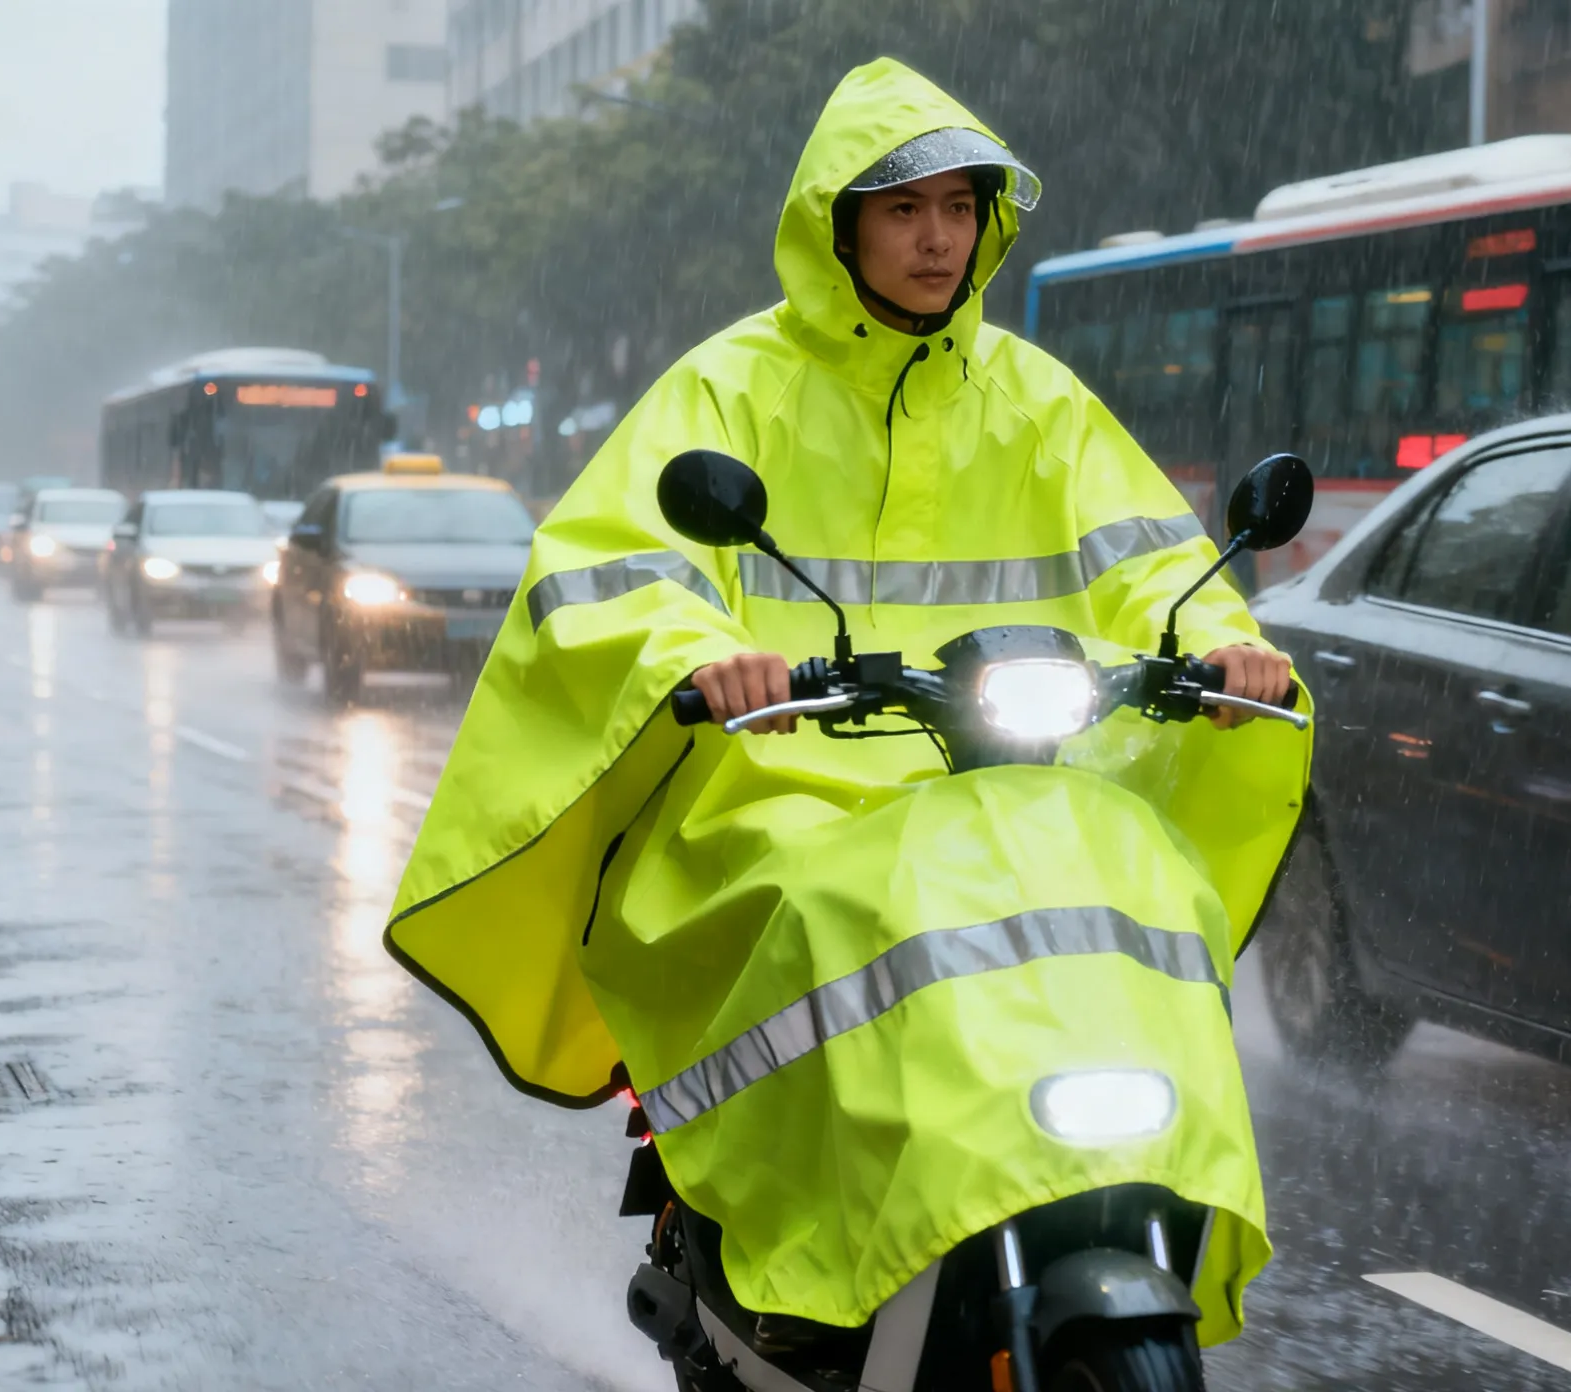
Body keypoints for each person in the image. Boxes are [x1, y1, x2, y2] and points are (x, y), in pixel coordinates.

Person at [390, 59, 1306, 1351]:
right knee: (844, 920)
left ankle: (1107, 1185)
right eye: (903, 210)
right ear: (840, 225)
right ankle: (784, 1255)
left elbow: (1152, 557)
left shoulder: (1038, 401)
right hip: (782, 782)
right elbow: (611, 565)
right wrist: (706, 655)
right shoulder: (728, 388)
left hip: (1006, 773)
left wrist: (1220, 639)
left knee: (1139, 875)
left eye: (960, 209)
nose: (938, 239)